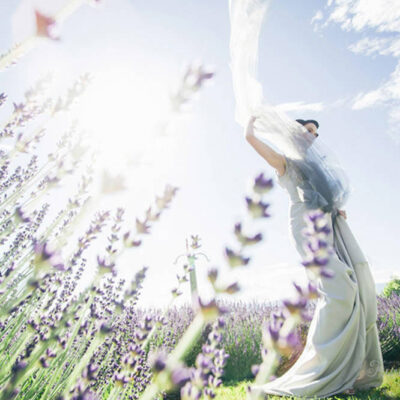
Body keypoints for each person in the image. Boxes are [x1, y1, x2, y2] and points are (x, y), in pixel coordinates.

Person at [245, 115, 384, 398]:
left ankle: (345, 370)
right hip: (307, 230)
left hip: (329, 226)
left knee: (355, 289)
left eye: (316, 133)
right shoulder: (287, 163)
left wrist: (336, 210)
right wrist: (251, 124)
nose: (313, 136)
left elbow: (327, 197)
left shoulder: (319, 167)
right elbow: (252, 141)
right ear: (294, 133)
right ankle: (321, 369)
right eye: (308, 131)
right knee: (340, 292)